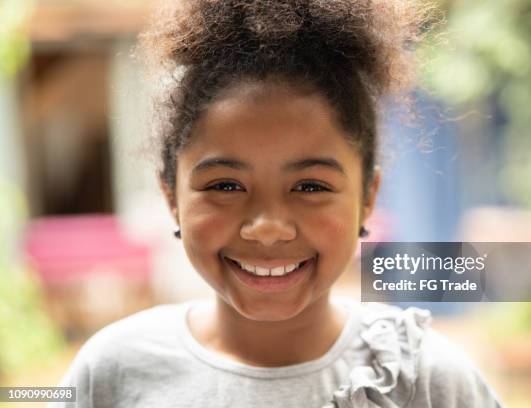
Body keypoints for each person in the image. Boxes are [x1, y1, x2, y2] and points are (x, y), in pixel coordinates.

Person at [51, 0, 504, 407]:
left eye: (310, 187)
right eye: (226, 186)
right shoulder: (112, 373)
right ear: (171, 196)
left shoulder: (427, 380)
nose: (267, 226)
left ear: (368, 198)